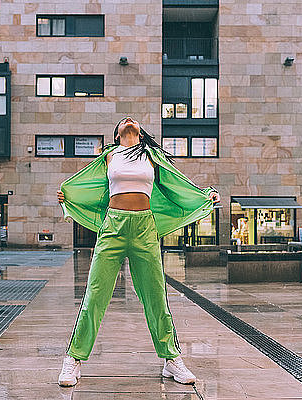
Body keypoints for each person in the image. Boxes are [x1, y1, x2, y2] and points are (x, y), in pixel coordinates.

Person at [56, 116, 220, 387]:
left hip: (145, 227)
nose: (129, 120)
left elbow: (178, 184)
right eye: (123, 121)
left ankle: (171, 359)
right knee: (95, 294)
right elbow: (87, 185)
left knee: (156, 295)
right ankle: (73, 360)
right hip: (113, 226)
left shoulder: (151, 156)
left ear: (141, 134)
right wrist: (69, 196)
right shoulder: (110, 155)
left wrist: (205, 195)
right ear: (117, 134)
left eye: (133, 121)